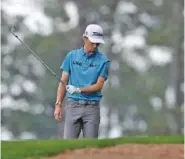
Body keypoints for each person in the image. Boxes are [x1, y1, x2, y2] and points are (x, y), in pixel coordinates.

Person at [54, 24, 110, 139]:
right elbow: (63, 81)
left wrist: (79, 90)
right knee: (68, 145)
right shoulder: (72, 56)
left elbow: (99, 85)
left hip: (92, 109)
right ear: (85, 38)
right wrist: (58, 104)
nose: (95, 46)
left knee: (91, 148)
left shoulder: (103, 61)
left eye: (97, 43)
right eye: (92, 42)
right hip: (73, 106)